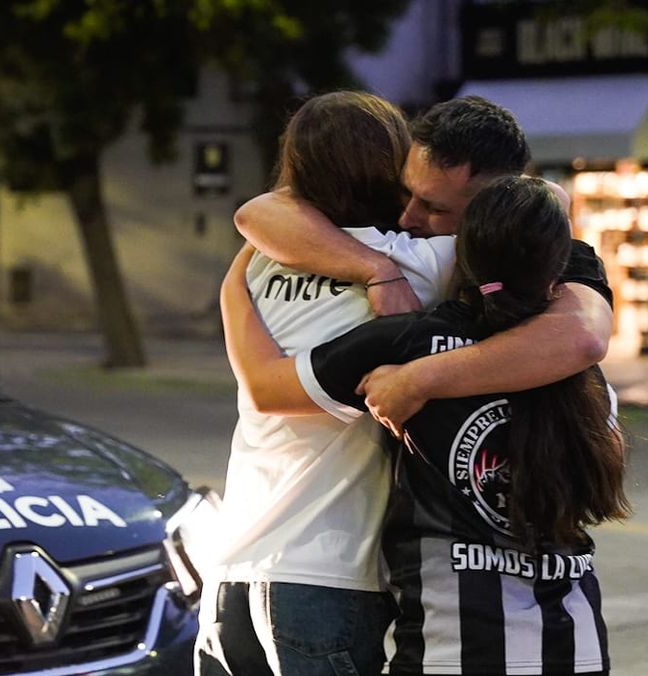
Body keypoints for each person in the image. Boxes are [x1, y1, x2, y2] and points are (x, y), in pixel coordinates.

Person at [222, 175, 631, 675]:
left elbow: (268, 389)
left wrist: (235, 285)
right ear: (557, 270)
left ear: (458, 253)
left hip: (450, 650)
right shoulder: (586, 380)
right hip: (578, 648)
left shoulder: (406, 348)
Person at [196, 90, 456, 676]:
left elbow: (258, 210)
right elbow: (542, 207)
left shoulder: (256, 261)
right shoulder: (421, 264)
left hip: (232, 571)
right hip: (326, 575)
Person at [234, 95, 614, 439]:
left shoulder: (426, 271)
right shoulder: (413, 256)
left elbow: (584, 337)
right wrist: (376, 269)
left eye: (435, 208)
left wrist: (415, 381)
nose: (406, 217)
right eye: (404, 191)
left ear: (491, 205)